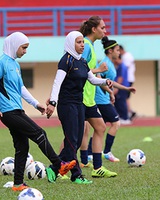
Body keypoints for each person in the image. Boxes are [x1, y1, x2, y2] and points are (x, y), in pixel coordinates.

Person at [0, 32, 76, 191]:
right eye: (23, 48)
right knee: (40, 133)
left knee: (22, 147)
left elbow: (21, 89)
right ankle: (59, 165)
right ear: (14, 45)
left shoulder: (15, 65)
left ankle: (18, 184)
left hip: (17, 110)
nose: (25, 51)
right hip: (8, 112)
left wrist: (36, 104)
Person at [46, 30, 113, 184]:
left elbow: (92, 79)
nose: (82, 45)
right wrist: (53, 102)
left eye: (83, 42)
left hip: (79, 104)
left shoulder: (82, 61)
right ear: (71, 43)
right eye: (78, 42)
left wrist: (104, 82)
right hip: (66, 105)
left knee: (75, 141)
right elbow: (57, 83)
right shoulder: (66, 61)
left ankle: (54, 168)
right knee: (72, 139)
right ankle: (77, 175)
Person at [77, 15, 118, 178]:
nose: (105, 31)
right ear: (94, 29)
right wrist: (99, 70)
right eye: (103, 27)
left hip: (89, 99)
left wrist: (108, 89)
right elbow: (78, 70)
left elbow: (90, 74)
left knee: (100, 128)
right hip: (80, 98)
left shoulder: (91, 46)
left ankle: (97, 168)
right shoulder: (85, 46)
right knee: (74, 135)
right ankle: (59, 166)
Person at [91, 36, 135, 162]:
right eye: (117, 50)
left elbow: (109, 82)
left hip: (103, 99)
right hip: (101, 100)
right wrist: (110, 92)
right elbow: (100, 81)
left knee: (100, 127)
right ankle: (107, 152)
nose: (119, 52)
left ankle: (89, 152)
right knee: (116, 123)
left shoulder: (109, 64)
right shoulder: (105, 64)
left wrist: (126, 89)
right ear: (110, 51)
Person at [113, 55, 131, 124]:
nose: (115, 61)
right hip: (121, 87)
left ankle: (125, 117)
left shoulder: (122, 66)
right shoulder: (120, 66)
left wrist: (116, 88)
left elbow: (120, 78)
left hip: (122, 87)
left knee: (121, 102)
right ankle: (121, 116)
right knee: (118, 102)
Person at [119, 45, 136, 120]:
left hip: (127, 79)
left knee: (124, 97)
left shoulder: (126, 57)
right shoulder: (129, 55)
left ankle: (128, 113)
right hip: (129, 78)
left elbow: (125, 67)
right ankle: (130, 111)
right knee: (126, 98)